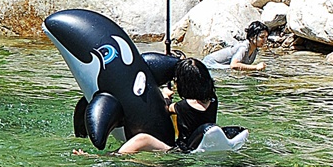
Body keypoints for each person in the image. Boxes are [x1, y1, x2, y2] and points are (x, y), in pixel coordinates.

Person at [100, 57, 236, 154]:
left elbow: (166, 108)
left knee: (142, 139)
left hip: (181, 151)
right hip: (200, 143)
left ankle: (110, 157)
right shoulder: (213, 100)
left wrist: (165, 96)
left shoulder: (183, 106)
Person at [203, 21, 269, 72]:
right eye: (262, 37)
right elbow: (234, 65)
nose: (265, 40)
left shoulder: (255, 50)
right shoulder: (244, 47)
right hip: (209, 65)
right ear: (252, 37)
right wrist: (256, 67)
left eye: (266, 37)